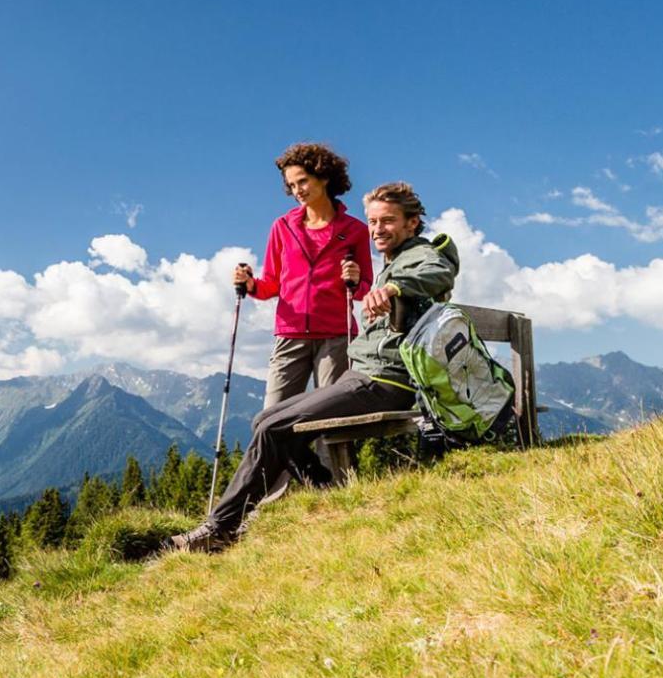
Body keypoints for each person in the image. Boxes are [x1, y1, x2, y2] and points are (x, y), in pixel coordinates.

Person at [172, 181, 457, 553]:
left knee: (274, 426)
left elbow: (441, 272)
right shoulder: (397, 258)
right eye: (372, 222)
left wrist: (393, 289)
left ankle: (219, 528)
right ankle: (324, 490)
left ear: (413, 222)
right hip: (367, 374)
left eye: (387, 221)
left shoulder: (419, 255)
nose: (376, 230)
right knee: (265, 421)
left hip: (386, 380)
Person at [236, 143, 374, 411]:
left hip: (336, 337)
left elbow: (364, 288)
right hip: (290, 334)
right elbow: (272, 285)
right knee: (273, 417)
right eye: (292, 184)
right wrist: (251, 284)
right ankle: (289, 456)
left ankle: (329, 456)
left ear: (323, 177)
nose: (297, 190)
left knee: (330, 419)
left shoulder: (354, 230)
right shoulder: (282, 227)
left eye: (303, 181)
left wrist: (356, 281)